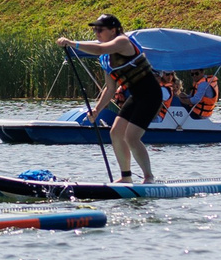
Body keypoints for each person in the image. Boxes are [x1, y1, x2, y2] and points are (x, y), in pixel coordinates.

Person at [60, 14, 160, 182]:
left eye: (100, 29)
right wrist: (97, 110)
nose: (96, 33)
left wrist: (71, 43)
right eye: (94, 29)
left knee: (131, 137)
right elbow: (110, 88)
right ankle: (126, 177)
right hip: (136, 96)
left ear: (113, 30)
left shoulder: (122, 41)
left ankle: (148, 177)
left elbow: (99, 48)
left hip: (151, 95)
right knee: (115, 133)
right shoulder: (106, 59)